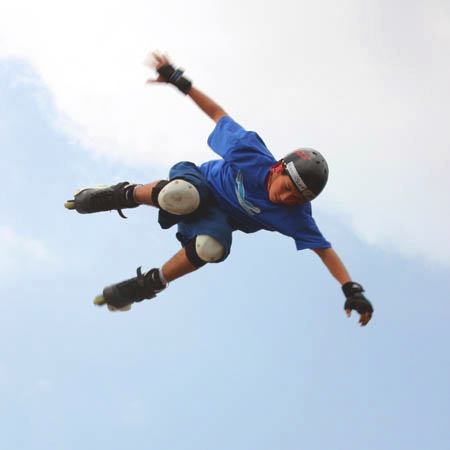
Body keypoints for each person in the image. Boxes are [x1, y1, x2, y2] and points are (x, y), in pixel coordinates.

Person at [65, 51, 373, 326]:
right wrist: (178, 81)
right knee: (181, 196)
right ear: (279, 168)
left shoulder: (296, 216)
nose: (286, 198)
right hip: (198, 182)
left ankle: (147, 285)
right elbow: (216, 112)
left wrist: (350, 288)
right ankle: (120, 194)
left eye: (297, 198)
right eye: (288, 188)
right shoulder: (249, 150)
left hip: (215, 219)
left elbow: (324, 250)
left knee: (211, 248)